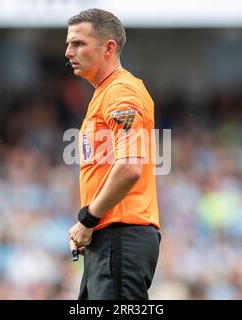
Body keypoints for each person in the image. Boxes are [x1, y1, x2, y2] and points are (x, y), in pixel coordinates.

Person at [66, 8, 161, 300]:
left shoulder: (122, 92)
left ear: (108, 47)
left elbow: (130, 167)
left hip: (120, 234)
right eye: (69, 43)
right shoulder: (105, 93)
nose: (68, 52)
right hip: (109, 237)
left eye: (78, 43)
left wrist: (88, 220)